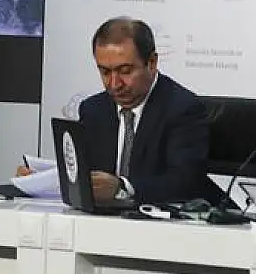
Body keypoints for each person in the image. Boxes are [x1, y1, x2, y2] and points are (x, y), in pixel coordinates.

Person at [26, 17, 217, 205]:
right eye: (105, 72)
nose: (114, 84)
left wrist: (122, 187)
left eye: (125, 71)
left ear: (151, 63)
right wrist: (42, 180)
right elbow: (87, 172)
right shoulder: (93, 110)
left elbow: (184, 182)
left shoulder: (182, 109)